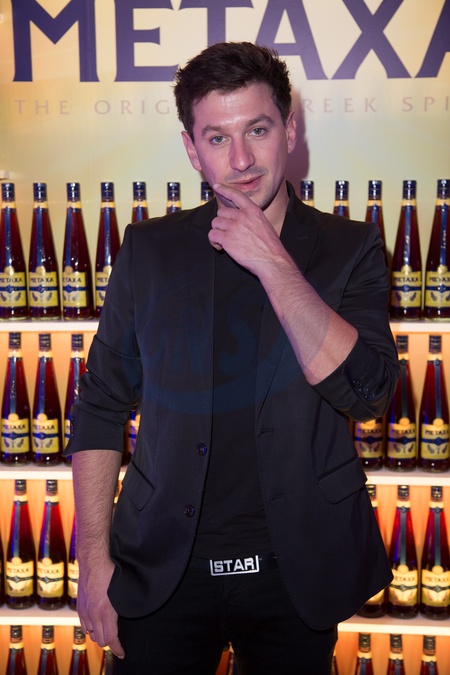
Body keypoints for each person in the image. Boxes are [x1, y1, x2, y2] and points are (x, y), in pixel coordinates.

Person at [66, 41, 399, 675]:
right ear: (192, 150)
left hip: (298, 567)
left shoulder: (350, 247)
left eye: (258, 130)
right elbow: (101, 406)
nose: (241, 159)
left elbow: (368, 394)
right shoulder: (149, 249)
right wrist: (93, 561)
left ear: (290, 131)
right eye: (217, 138)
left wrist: (273, 262)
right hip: (161, 564)